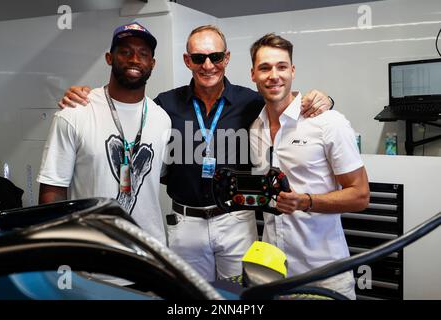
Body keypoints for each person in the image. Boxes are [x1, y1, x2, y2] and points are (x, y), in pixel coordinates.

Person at [58, 25, 333, 282]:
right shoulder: (164, 105)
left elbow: (284, 98)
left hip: (236, 221)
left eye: (215, 57)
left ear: (226, 58)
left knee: (239, 296)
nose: (208, 65)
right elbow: (126, 108)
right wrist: (84, 95)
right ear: (187, 60)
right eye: (199, 58)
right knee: (187, 296)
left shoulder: (250, 101)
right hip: (184, 223)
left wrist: (325, 99)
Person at [249, 33, 370, 299]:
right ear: (253, 74)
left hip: (323, 276)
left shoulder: (328, 123)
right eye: (265, 68)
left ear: (292, 71)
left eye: (281, 66)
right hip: (273, 275)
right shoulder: (254, 128)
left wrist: (305, 201)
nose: (274, 75)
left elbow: (360, 195)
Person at [37, 22, 171, 245]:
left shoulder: (162, 119)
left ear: (152, 63)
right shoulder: (75, 114)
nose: (134, 59)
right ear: (109, 58)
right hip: (92, 254)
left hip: (149, 255)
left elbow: (160, 177)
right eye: (125, 52)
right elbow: (53, 189)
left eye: (143, 54)